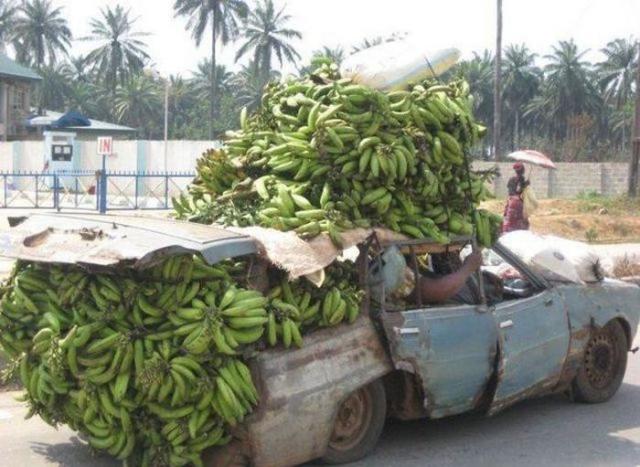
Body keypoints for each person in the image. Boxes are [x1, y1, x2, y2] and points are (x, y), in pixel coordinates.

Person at [501, 162, 530, 233]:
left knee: (509, 220)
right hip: (517, 203)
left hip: (510, 202)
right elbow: (519, 191)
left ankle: (506, 233)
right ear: (523, 170)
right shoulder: (521, 179)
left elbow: (510, 192)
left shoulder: (511, 179)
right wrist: (525, 185)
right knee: (521, 222)